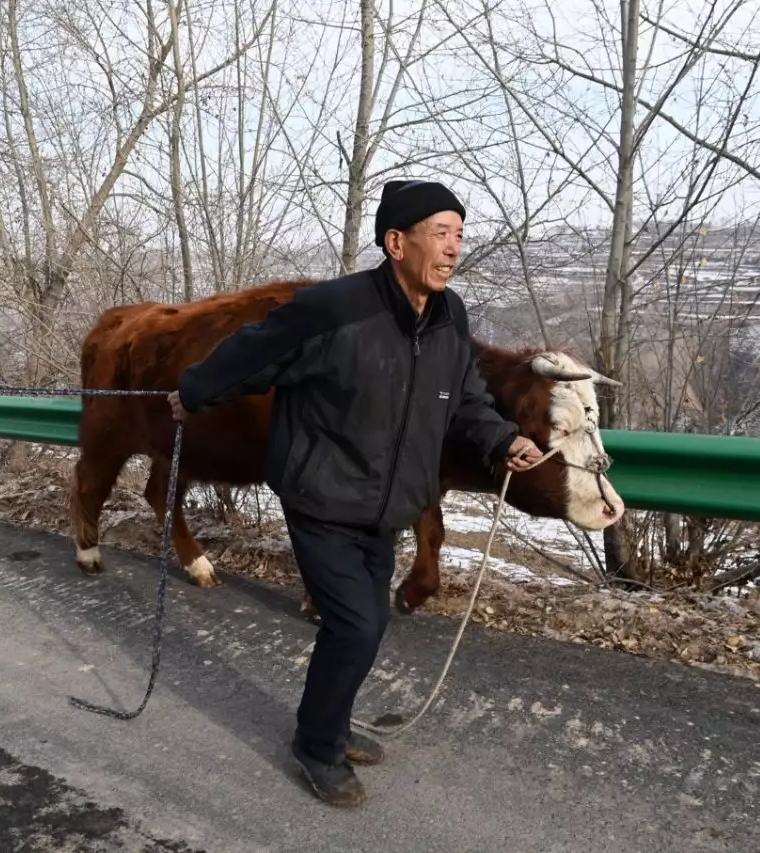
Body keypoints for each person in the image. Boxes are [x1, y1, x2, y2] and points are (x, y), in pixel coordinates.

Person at [166, 179, 541, 808]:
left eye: (458, 234)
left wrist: (502, 441)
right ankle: (316, 747)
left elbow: (468, 398)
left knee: (363, 625)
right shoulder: (336, 308)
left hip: (389, 504)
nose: (454, 248)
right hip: (323, 493)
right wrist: (196, 391)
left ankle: (331, 727)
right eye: (440, 234)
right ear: (396, 242)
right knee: (358, 624)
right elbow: (254, 351)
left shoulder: (450, 318)